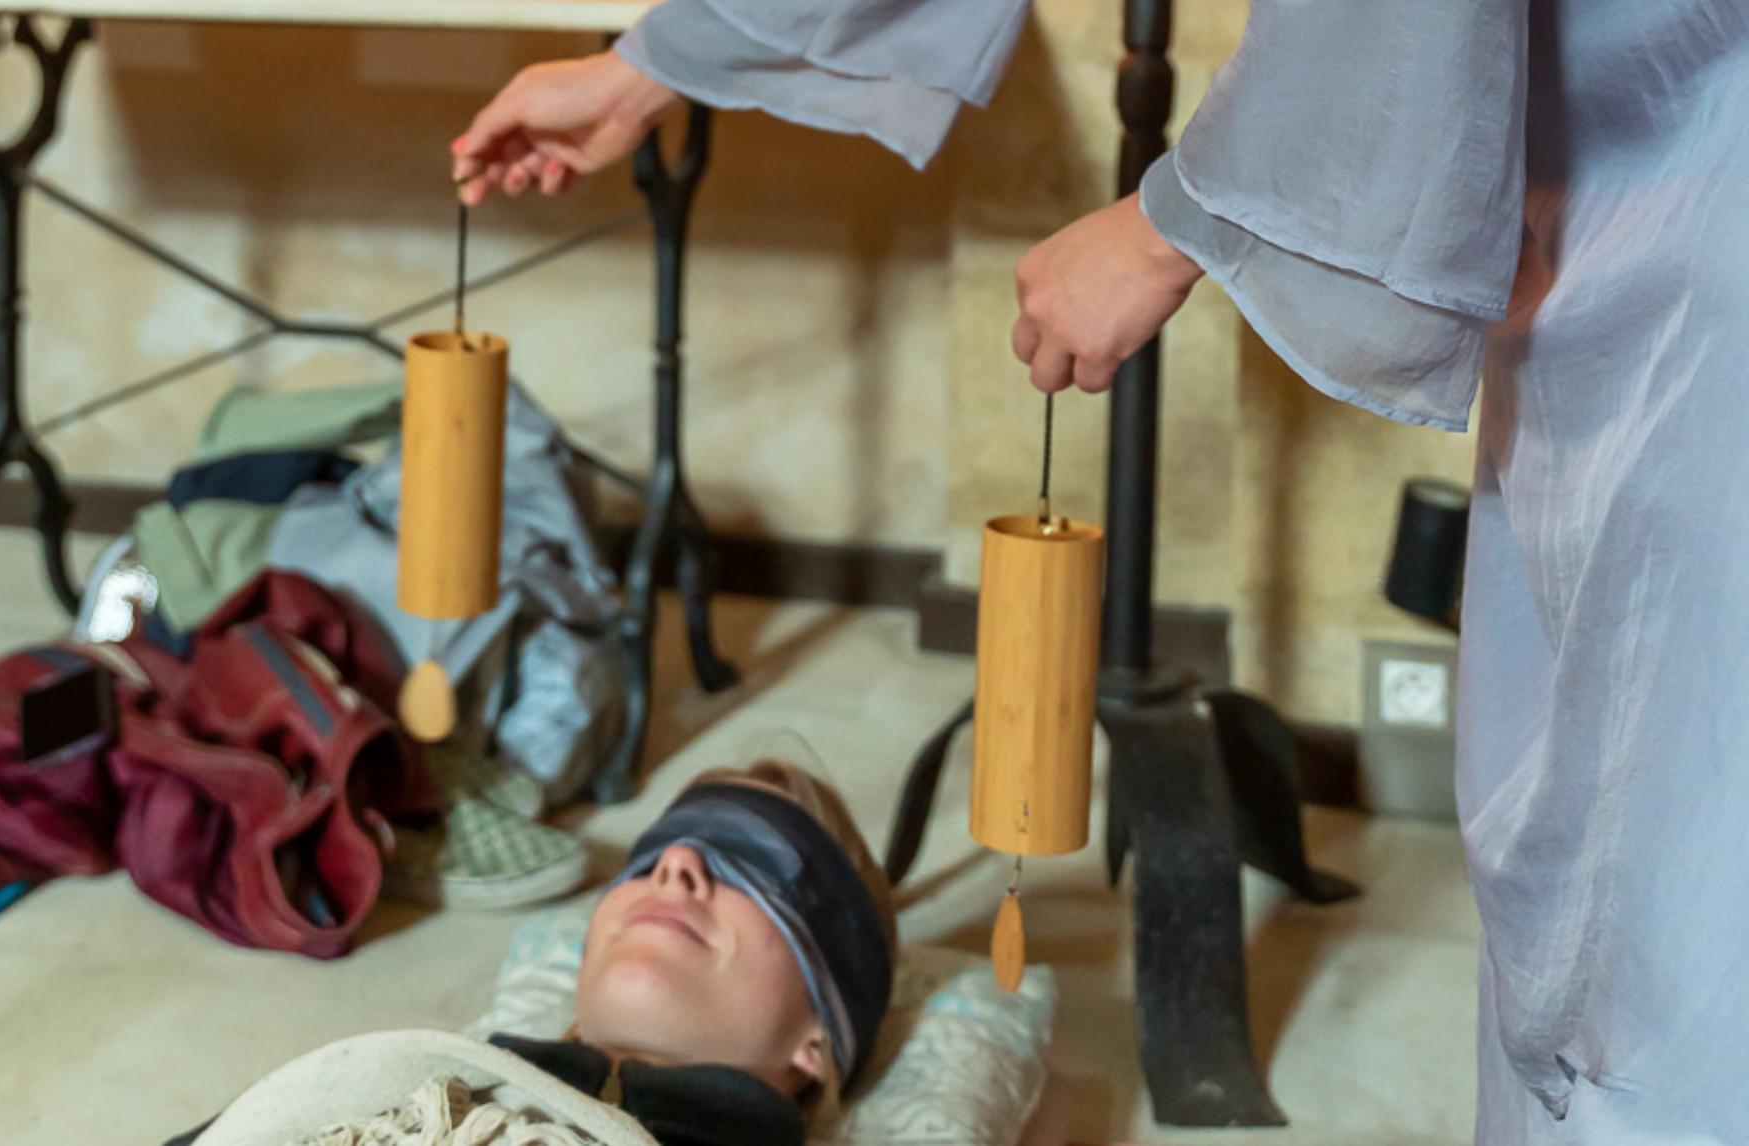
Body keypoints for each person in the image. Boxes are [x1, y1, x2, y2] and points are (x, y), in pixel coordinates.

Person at [450, 4, 1749, 1143]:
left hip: (1692, 204)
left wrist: (1171, 223)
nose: (671, 877)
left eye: (748, 873)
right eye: (676, 854)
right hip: (1641, 204)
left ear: (819, 1060)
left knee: (1673, 869)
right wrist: (645, 68)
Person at [177, 758, 896, 1146]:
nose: (676, 861)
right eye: (642, 862)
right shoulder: (413, 1078)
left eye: (754, 864)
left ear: (818, 1042)